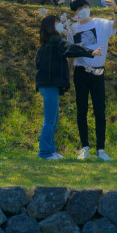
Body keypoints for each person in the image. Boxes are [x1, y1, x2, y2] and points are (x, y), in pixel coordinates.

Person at [35, 14, 102, 159]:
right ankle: (45, 152)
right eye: (57, 22)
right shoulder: (56, 40)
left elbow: (40, 63)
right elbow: (71, 48)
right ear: (51, 26)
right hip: (49, 85)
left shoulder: (45, 44)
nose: (60, 24)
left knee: (53, 117)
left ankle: (51, 150)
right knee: (50, 119)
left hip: (45, 85)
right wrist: (90, 52)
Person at [68, 0, 116, 161]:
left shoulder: (101, 23)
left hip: (97, 72)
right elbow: (71, 53)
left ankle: (101, 149)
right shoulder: (72, 29)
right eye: (79, 10)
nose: (83, 11)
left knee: (99, 110)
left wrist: (116, 9)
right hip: (81, 72)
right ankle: (84, 147)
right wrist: (69, 73)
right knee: (81, 110)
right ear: (74, 13)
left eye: (84, 7)